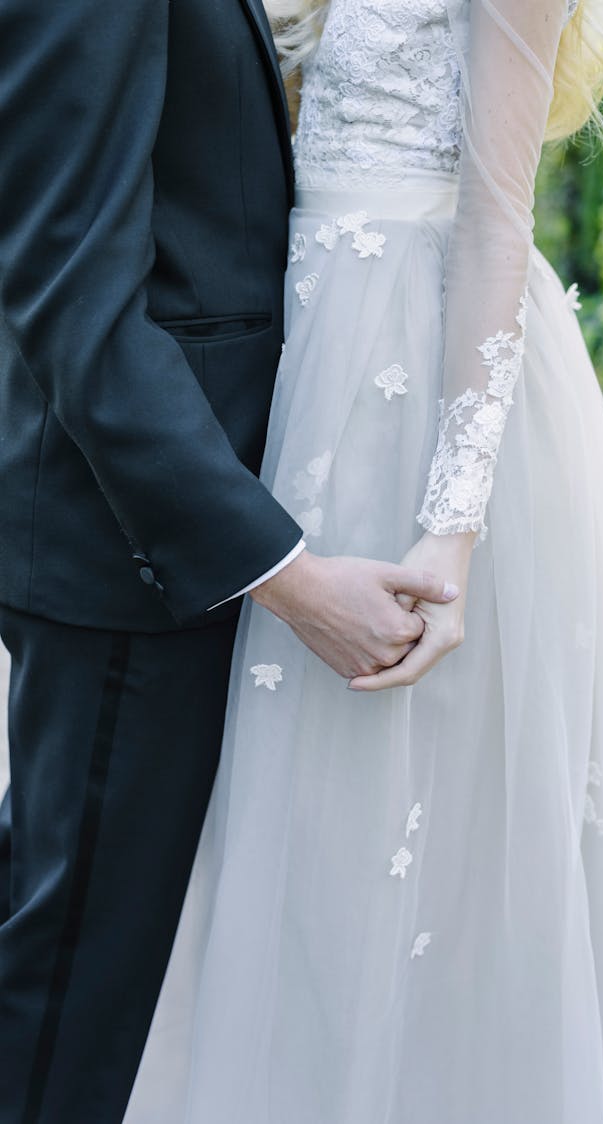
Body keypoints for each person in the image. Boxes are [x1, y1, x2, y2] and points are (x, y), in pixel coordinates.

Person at [123, 1, 603, 1122]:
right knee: (287, 781)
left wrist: (450, 522)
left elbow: (495, 222)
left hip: (419, 367)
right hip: (308, 345)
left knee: (417, 779)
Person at [0, 2, 459, 1120]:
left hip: (180, 511)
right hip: (126, 550)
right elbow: (74, 296)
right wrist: (287, 574)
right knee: (69, 990)